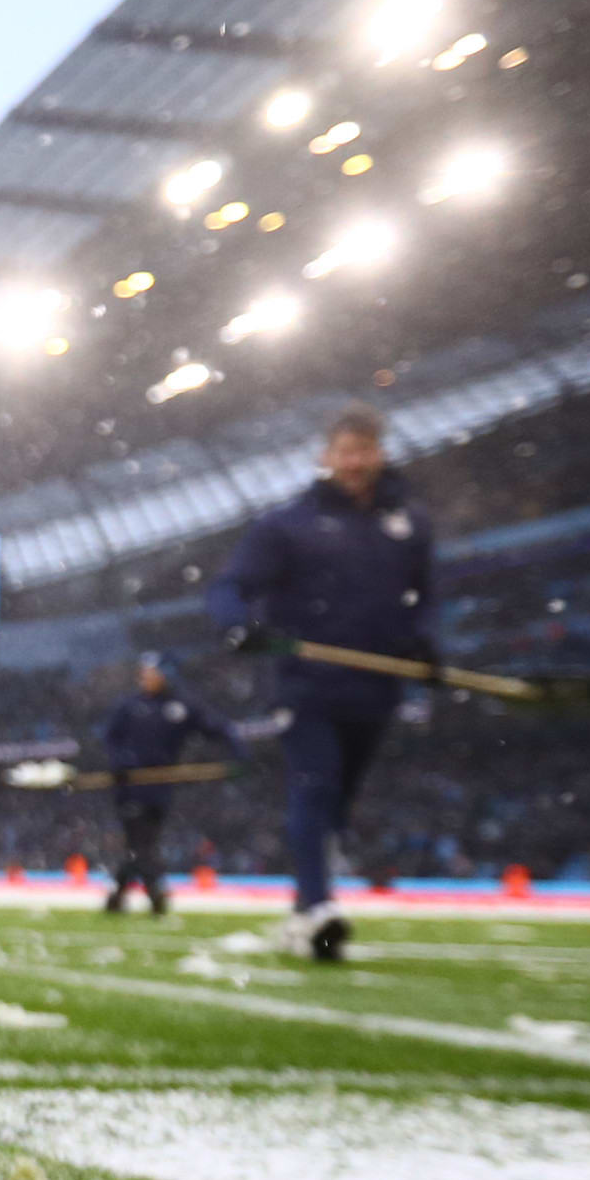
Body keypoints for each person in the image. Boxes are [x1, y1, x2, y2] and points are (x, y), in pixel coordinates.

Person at [206, 403, 434, 961]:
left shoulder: (408, 524)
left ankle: (305, 906)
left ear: (379, 454)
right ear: (325, 457)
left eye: (365, 450)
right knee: (315, 786)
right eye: (345, 451)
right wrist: (239, 627)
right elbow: (229, 587)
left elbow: (426, 596)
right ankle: (316, 907)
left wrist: (426, 644)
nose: (355, 461)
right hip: (307, 684)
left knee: (338, 803)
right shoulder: (286, 525)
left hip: (377, 688)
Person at [93, 651, 240, 916]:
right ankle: (155, 893)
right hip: (130, 786)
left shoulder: (181, 706)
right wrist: (121, 763)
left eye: (152, 673)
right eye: (144, 673)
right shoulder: (129, 706)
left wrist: (237, 752)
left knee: (139, 845)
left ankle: (116, 897)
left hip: (160, 786)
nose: (146, 678)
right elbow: (109, 738)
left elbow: (217, 728)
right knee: (142, 841)